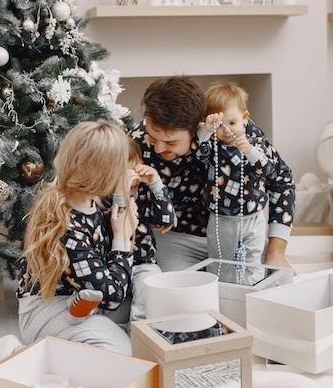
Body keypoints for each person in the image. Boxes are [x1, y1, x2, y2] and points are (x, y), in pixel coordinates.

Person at [128, 75, 295, 273]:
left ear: (197, 128)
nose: (158, 149)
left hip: (235, 232)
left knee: (265, 286)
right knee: (184, 293)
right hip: (178, 239)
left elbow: (281, 181)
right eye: (154, 138)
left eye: (171, 142)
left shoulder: (233, 131)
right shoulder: (137, 141)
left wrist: (276, 253)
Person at [16, 120, 138, 356]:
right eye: (120, 168)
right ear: (103, 176)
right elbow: (112, 297)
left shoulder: (91, 199)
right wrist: (122, 236)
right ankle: (14, 352)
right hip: (48, 309)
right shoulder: (68, 228)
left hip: (85, 298)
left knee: (145, 306)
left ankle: (89, 324)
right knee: (122, 353)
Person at [195, 82, 295, 283]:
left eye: (232, 123)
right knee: (219, 262)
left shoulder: (255, 142)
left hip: (252, 216)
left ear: (245, 118)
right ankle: (223, 294)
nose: (225, 131)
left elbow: (268, 171)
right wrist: (207, 129)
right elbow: (199, 153)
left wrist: (250, 152)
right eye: (219, 126)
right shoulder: (214, 145)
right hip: (220, 218)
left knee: (252, 261)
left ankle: (252, 291)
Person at [125, 138, 176, 322]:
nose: (134, 177)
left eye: (137, 168)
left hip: (142, 262)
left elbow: (166, 220)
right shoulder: (105, 198)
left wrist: (155, 183)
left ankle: (141, 334)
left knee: (151, 291)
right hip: (114, 264)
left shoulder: (144, 192)